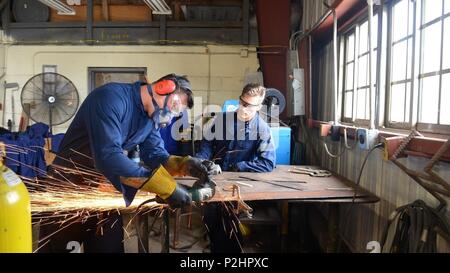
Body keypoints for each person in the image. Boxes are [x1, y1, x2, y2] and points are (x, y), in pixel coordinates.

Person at [38, 74, 218, 252]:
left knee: (110, 248)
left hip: (103, 189)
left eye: (176, 113)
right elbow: (109, 156)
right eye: (173, 106)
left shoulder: (150, 117)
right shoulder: (110, 98)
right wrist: (168, 188)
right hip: (68, 188)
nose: (170, 117)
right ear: (162, 88)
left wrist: (187, 165)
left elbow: (156, 155)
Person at [195, 83, 276, 253]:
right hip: (214, 179)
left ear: (259, 106)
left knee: (230, 225)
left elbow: (267, 163)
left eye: (249, 105)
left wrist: (238, 166)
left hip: (238, 185)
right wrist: (203, 160)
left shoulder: (262, 129)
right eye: (242, 102)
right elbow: (207, 143)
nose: (243, 108)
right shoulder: (221, 119)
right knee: (211, 220)